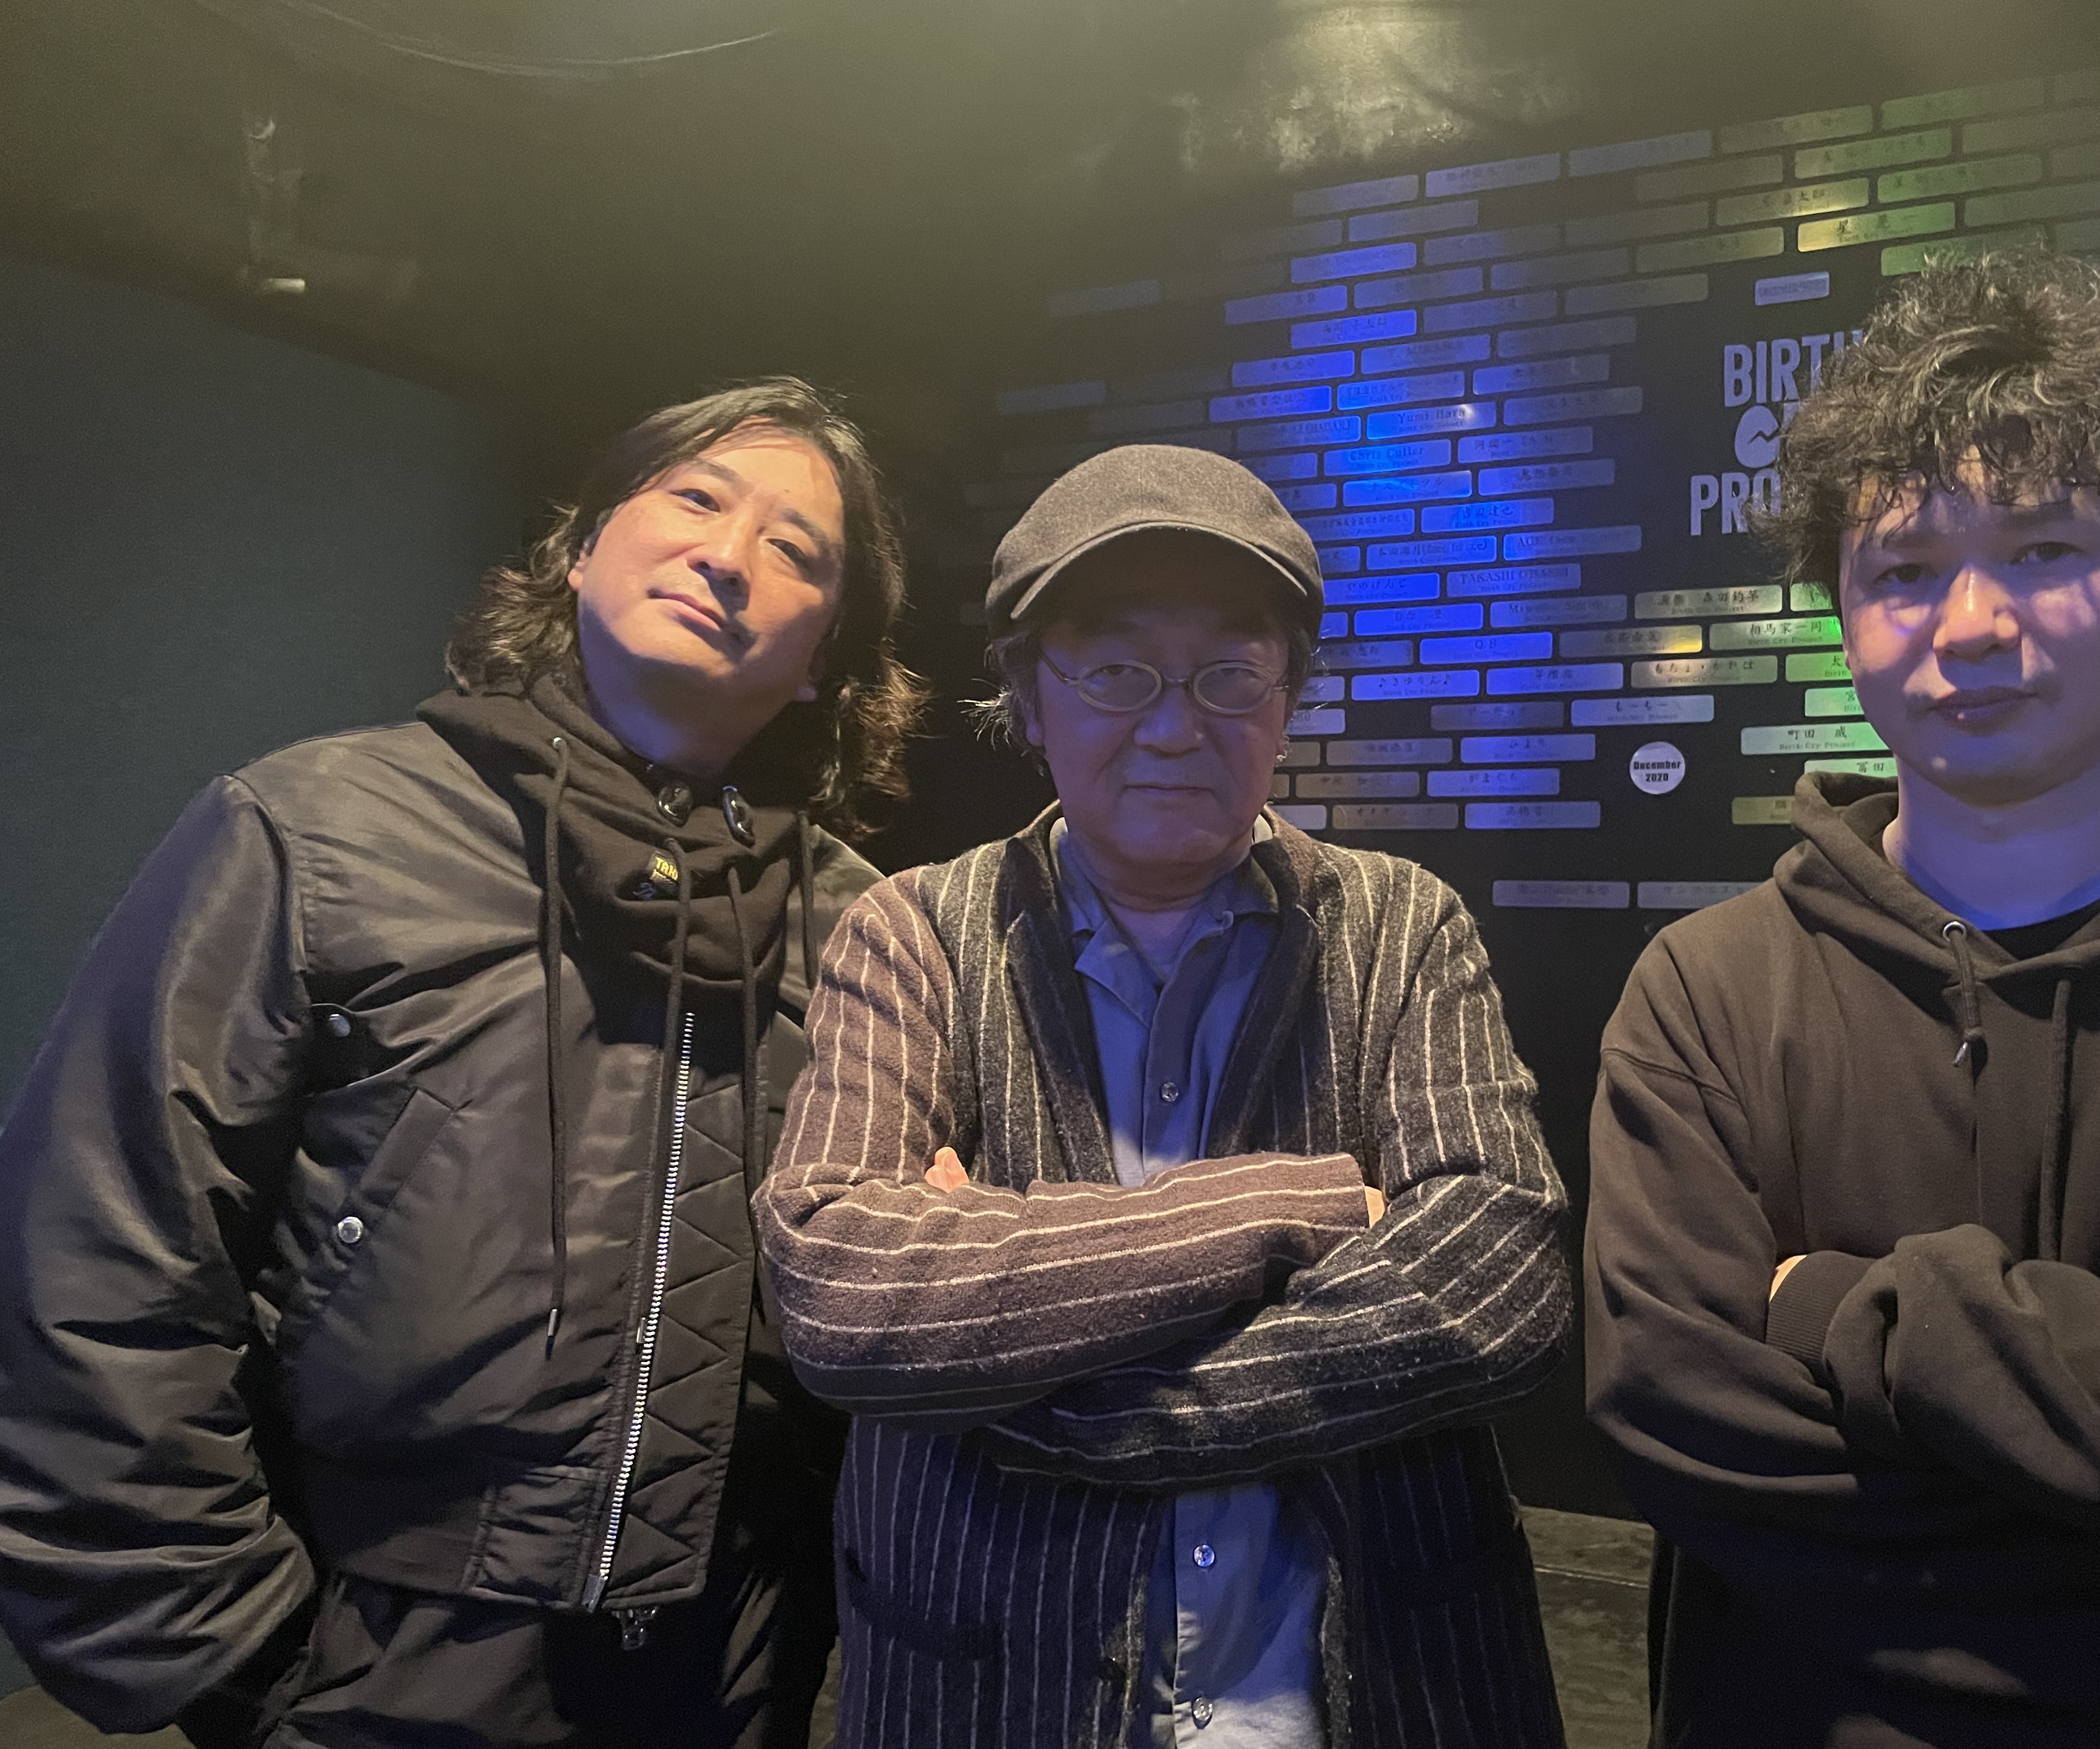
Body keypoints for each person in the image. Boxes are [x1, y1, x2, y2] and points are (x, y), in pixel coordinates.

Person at [0, 377, 923, 1748]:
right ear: (580, 549)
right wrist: (239, 1663)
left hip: (734, 1671)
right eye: (694, 497)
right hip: (379, 1662)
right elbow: (100, 1254)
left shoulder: (866, 934)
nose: (730, 556)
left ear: (822, 663)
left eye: (797, 550)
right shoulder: (315, 833)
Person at [1586, 249, 2100, 1747]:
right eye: (1906, 569)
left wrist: (1849, 1311)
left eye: (2046, 548)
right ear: (1844, 610)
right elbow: (1677, 1411)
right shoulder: (1712, 990)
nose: (1973, 622)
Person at [754, 443, 1573, 1748]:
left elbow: (1495, 1277)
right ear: (1031, 698)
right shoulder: (913, 933)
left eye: (1231, 673)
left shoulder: (1403, 926)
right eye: (1117, 672)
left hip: (1369, 1680)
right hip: (995, 1686)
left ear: (1287, 699)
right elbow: (845, 1294)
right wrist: (1298, 1208)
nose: (1177, 725)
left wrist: (1077, 1400)